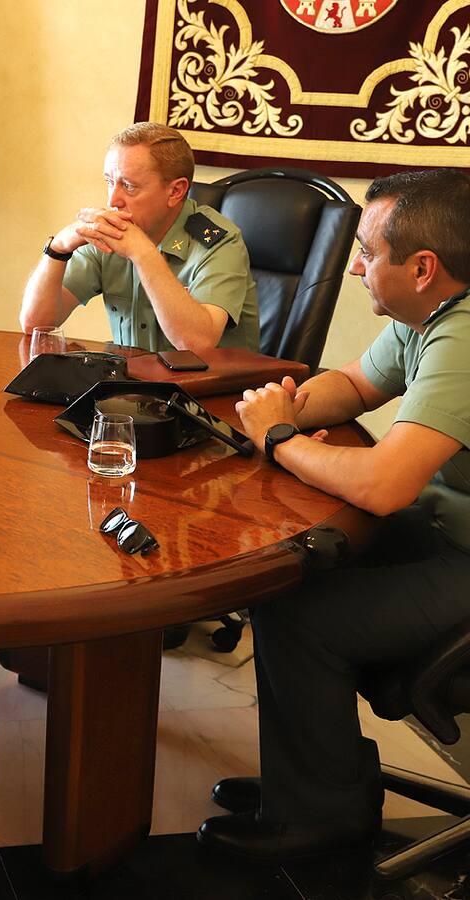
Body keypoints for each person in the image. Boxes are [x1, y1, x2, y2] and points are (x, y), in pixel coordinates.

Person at [196, 169, 470, 861]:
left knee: (301, 614)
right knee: (288, 566)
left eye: (369, 253)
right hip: (446, 526)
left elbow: (381, 487)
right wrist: (283, 409)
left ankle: (326, 815)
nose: (356, 266)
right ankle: (318, 780)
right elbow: (351, 385)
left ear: (422, 266)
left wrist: (280, 439)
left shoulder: (465, 340)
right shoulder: (432, 315)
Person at [19, 122, 259, 353]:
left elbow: (196, 344)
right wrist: (58, 249)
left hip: (211, 392)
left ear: (175, 191)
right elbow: (35, 324)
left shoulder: (221, 244)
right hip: (133, 387)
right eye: (110, 182)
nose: (113, 201)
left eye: (129, 186)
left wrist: (143, 254)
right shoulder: (112, 231)